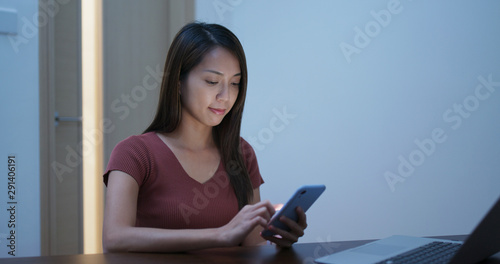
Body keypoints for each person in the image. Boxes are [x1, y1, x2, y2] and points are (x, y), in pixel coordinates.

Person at [102, 22, 308, 253]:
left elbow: (253, 246)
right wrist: (220, 235)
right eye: (212, 82)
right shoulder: (134, 153)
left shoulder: (241, 153)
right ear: (178, 83)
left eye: (235, 83)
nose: (225, 96)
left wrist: (280, 241)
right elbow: (115, 237)